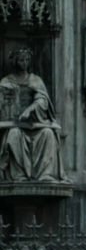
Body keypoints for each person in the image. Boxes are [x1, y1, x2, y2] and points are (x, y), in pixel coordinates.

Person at [0, 48, 66, 182]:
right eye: (21, 60)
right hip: (14, 125)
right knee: (13, 134)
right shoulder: (6, 81)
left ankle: (45, 174)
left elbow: (42, 99)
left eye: (26, 60)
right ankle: (18, 175)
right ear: (15, 61)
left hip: (34, 123)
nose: (24, 63)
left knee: (48, 134)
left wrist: (30, 109)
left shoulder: (35, 80)